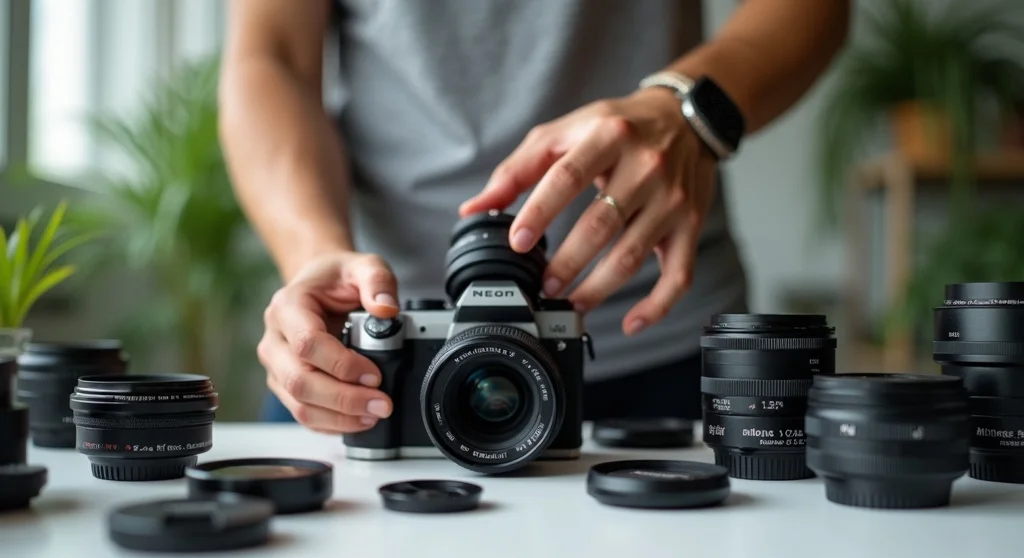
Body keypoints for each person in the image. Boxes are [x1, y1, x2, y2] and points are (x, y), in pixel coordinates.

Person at [219, 0, 850, 433]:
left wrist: (684, 110)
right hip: (384, 361)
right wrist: (315, 260)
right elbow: (270, 54)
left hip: (667, 335)